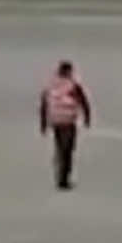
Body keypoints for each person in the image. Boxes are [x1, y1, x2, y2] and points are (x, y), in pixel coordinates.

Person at [39, 58, 91, 189]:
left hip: (56, 120)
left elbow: (44, 104)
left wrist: (43, 123)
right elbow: (83, 101)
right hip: (67, 120)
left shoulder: (51, 85)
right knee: (67, 149)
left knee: (61, 147)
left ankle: (60, 172)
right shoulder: (73, 84)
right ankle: (63, 177)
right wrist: (87, 117)